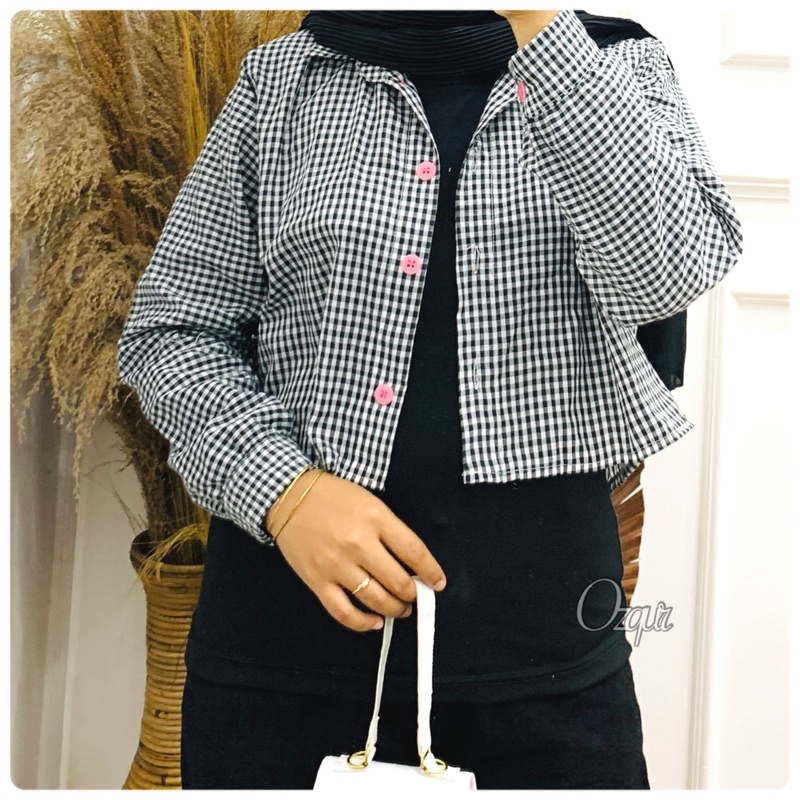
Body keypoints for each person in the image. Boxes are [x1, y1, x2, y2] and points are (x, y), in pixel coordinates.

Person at [116, 9, 742, 790]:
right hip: (283, 651)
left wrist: (540, 25)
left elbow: (669, 274)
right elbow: (173, 330)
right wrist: (286, 492)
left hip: (548, 661)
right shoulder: (283, 80)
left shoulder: (617, 64)